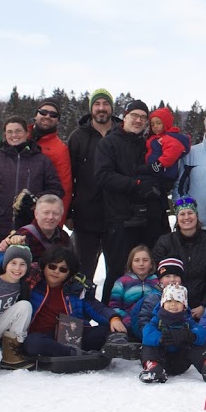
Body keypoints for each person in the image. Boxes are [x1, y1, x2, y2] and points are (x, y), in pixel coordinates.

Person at [95, 99, 171, 300]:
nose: (138, 120)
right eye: (134, 116)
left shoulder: (149, 144)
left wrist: (158, 185)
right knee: (118, 272)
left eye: (143, 118)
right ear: (125, 116)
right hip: (120, 220)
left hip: (149, 220)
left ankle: (148, 318)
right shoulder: (109, 143)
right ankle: (111, 321)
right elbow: (102, 176)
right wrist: (135, 184)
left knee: (151, 273)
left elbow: (163, 168)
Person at [0, 115, 63, 255]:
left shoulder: (41, 160)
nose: (14, 135)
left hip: (29, 229)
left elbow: (56, 189)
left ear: (26, 133)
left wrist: (35, 199)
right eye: (9, 132)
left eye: (18, 131)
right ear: (5, 134)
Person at [22, 246, 127, 357]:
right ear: (44, 267)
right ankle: (75, 354)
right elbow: (9, 268)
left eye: (63, 269)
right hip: (43, 337)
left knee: (107, 330)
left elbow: (96, 308)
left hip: (73, 336)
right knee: (32, 343)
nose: (56, 271)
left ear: (69, 272)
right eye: (52, 266)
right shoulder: (32, 286)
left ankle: (115, 346)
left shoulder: (75, 290)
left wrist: (113, 318)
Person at [67, 88, 120, 283]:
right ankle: (78, 312)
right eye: (97, 104)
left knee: (116, 272)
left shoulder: (122, 134)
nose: (101, 108)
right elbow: (68, 177)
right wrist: (69, 212)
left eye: (105, 104)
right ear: (91, 108)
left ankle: (112, 312)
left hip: (117, 216)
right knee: (82, 271)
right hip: (86, 215)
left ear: (111, 108)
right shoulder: (78, 137)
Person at [152, 196, 206, 320]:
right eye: (182, 214)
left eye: (190, 213)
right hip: (171, 307)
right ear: (177, 218)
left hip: (201, 309)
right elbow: (157, 275)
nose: (186, 217)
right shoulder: (165, 242)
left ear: (196, 216)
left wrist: (204, 306)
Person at [140, 284, 206, 383]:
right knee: (148, 347)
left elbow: (201, 331)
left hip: (181, 361)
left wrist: (191, 335)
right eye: (169, 301)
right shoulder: (157, 319)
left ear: (184, 306)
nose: (173, 304)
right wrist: (160, 338)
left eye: (178, 301)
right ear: (162, 304)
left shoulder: (188, 320)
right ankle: (153, 368)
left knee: (197, 347)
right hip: (162, 360)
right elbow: (147, 332)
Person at [30, 99, 73, 224]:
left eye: (53, 115)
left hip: (42, 219)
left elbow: (65, 187)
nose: (47, 116)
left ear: (58, 120)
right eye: (43, 112)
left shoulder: (60, 149)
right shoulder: (19, 137)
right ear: (36, 114)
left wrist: (57, 223)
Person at [108, 245, 161, 338]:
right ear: (131, 264)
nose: (141, 264)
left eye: (145, 260)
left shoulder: (157, 283)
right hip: (127, 325)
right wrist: (128, 321)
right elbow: (114, 306)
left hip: (151, 325)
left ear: (151, 264)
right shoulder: (122, 282)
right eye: (137, 260)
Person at [0, 194, 71, 263]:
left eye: (55, 213)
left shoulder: (64, 237)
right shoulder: (23, 236)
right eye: (46, 213)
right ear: (36, 214)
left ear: (61, 216)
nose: (50, 217)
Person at [145, 106, 191, 190]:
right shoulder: (156, 137)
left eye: (158, 123)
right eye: (152, 124)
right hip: (156, 172)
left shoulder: (166, 137)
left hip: (163, 173)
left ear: (166, 123)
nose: (155, 126)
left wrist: (159, 163)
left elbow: (174, 149)